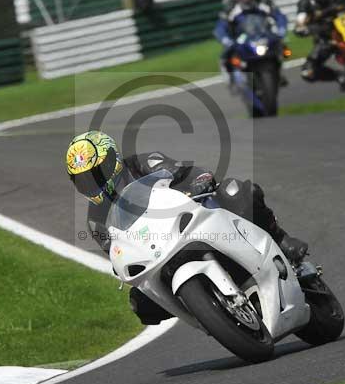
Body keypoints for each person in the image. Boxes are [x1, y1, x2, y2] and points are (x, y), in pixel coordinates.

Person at [65, 130, 309, 325]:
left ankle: (282, 240)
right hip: (158, 249)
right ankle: (202, 309)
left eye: (97, 173)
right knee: (140, 304)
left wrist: (198, 183)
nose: (92, 183)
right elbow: (115, 251)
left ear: (113, 160)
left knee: (237, 190)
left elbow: (187, 171)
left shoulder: (142, 163)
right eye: (84, 180)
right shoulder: (95, 218)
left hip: (193, 215)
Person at [214, 0, 288, 81]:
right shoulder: (231, 7)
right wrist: (225, 39)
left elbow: (279, 16)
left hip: (263, 34)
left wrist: (281, 30)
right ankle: (229, 72)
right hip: (242, 36)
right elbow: (220, 26)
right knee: (228, 52)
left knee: (283, 48)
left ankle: (279, 71)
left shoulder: (263, 2)